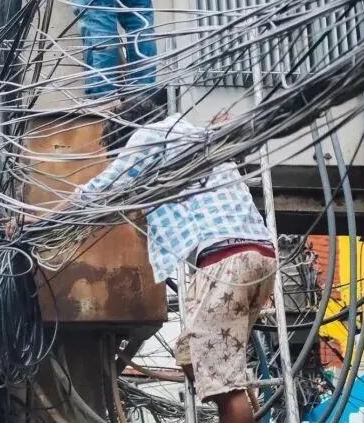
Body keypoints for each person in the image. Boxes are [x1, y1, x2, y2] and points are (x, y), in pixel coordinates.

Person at [67, 96, 275, 423]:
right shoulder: (198, 137)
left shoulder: (148, 138)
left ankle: (231, 399)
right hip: (259, 258)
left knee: (225, 386)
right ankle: (231, 394)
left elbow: (100, 191)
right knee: (192, 353)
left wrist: (35, 219)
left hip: (225, 261)